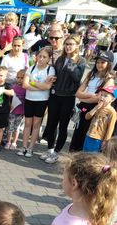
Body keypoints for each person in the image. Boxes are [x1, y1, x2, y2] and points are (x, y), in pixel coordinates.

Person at [40, 35, 86, 164]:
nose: (68, 46)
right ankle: (50, 149)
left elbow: (77, 78)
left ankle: (57, 152)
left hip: (68, 97)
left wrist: (71, 61)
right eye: (66, 44)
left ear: (77, 46)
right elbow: (56, 74)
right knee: (51, 124)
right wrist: (52, 78)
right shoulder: (60, 59)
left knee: (63, 126)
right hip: (55, 95)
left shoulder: (81, 61)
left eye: (71, 44)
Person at [69, 51, 115, 152]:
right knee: (78, 132)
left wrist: (83, 98)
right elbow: (78, 93)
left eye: (103, 62)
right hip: (83, 107)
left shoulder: (109, 79)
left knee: (87, 135)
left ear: (109, 64)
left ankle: (83, 157)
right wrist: (90, 96)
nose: (99, 64)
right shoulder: (91, 74)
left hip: (95, 109)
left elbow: (100, 98)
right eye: (98, 62)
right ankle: (73, 154)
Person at [16, 47, 55, 158]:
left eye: (44, 57)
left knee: (36, 125)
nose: (41, 59)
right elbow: (25, 85)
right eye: (40, 56)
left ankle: (31, 148)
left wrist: (32, 83)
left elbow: (47, 87)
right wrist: (40, 87)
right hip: (29, 99)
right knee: (27, 124)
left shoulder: (50, 70)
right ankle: (24, 146)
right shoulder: (31, 68)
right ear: (36, 56)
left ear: (49, 59)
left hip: (42, 101)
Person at [83, 86, 117, 152]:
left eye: (105, 96)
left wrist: (106, 142)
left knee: (92, 157)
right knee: (84, 154)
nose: (102, 97)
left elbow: (110, 129)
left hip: (98, 139)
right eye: (101, 94)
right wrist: (96, 108)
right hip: (89, 135)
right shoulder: (97, 106)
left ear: (112, 99)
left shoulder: (112, 112)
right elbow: (87, 117)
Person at [6, 69, 26, 150]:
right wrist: (9, 106)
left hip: (20, 112)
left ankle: (14, 142)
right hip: (12, 111)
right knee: (10, 127)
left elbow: (26, 101)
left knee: (17, 128)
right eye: (18, 77)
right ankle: (8, 142)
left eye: (22, 78)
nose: (19, 80)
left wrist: (24, 112)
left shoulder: (26, 89)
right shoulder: (14, 87)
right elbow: (9, 99)